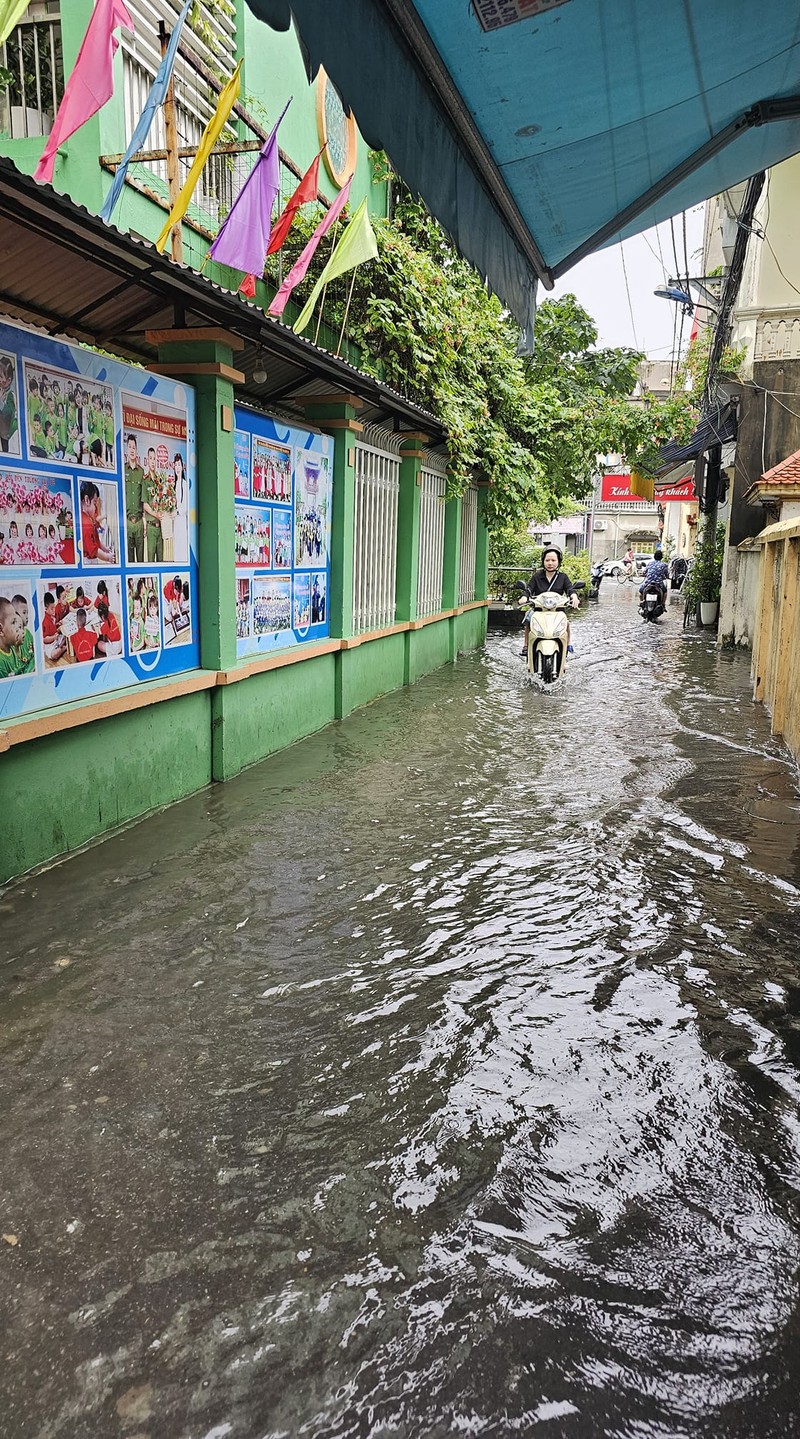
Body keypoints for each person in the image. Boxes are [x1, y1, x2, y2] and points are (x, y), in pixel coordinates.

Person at [520, 546, 579, 656]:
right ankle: (526, 645)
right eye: (547, 560)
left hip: (557, 611)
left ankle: (568, 643)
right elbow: (529, 589)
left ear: (558, 561)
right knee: (529, 622)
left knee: (566, 623)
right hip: (539, 610)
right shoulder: (537, 576)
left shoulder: (563, 577)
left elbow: (570, 589)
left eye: (553, 560)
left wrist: (574, 597)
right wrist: (524, 597)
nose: (550, 563)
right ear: (543, 561)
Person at [79, 479, 115, 563]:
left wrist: (105, 549)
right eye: (94, 503)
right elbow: (94, 549)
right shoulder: (86, 524)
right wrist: (107, 557)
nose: (96, 508)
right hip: (88, 561)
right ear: (87, 500)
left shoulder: (89, 520)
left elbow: (96, 541)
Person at [124, 433, 145, 563]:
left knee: (141, 560)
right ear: (127, 449)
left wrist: (144, 522)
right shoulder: (122, 470)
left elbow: (143, 499)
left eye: (134, 447)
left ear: (136, 450)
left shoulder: (141, 472)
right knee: (129, 560)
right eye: (130, 447)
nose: (132, 449)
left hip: (138, 522)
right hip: (127, 522)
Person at [143, 446, 163, 563]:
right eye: (151, 458)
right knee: (151, 560)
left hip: (161, 527)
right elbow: (145, 504)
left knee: (161, 560)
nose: (153, 461)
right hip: (151, 527)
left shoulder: (160, 480)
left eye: (154, 459)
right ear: (147, 460)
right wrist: (155, 514)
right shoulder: (145, 480)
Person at [41, 591, 67, 665]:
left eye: (54, 607)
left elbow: (53, 627)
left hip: (57, 641)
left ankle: (61, 646)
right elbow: (44, 639)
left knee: (66, 636)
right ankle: (64, 648)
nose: (54, 610)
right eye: (52, 609)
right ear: (46, 609)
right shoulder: (45, 621)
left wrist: (57, 624)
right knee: (55, 654)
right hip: (50, 646)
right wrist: (53, 637)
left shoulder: (52, 617)